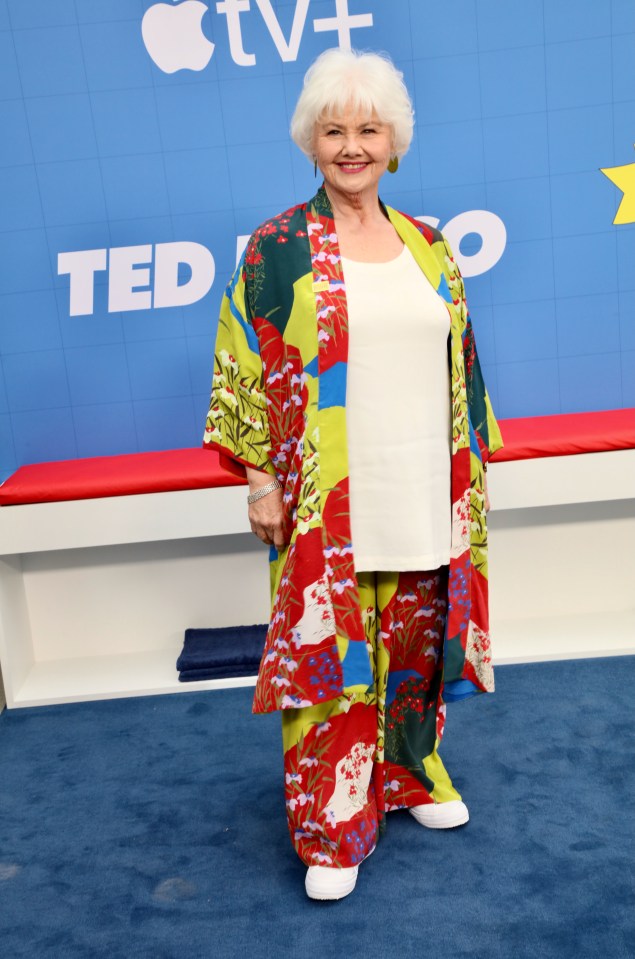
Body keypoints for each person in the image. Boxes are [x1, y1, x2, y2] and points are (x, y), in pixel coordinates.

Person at [204, 47, 503, 901]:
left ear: (394, 142)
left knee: (412, 649)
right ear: (310, 141)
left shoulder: (428, 244)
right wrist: (257, 477)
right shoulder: (277, 249)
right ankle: (331, 825)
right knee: (330, 660)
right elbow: (242, 361)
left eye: (368, 129)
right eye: (334, 130)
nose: (351, 146)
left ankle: (410, 775)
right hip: (326, 498)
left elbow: (462, 364)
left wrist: (470, 474)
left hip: (421, 483)